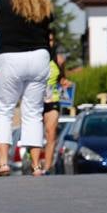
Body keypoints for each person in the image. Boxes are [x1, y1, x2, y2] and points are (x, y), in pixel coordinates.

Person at [0, 0, 54, 177]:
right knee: (33, 112)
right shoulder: (43, 3)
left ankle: (3, 163)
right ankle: (36, 166)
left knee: (4, 110)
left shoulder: (4, 0)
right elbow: (48, 27)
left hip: (11, 57)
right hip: (39, 57)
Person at [41, 38, 67, 173]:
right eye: (48, 39)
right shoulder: (36, 57)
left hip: (53, 100)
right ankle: (34, 162)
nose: (50, 42)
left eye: (51, 39)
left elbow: (61, 78)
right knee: (36, 134)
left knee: (51, 134)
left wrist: (65, 82)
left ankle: (47, 167)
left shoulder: (58, 58)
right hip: (37, 102)